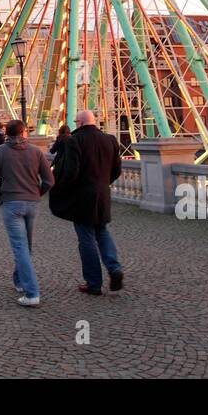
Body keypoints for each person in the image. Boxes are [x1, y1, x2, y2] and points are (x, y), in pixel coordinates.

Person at [49, 110, 126, 297]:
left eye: (76, 121)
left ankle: (93, 283)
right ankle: (114, 268)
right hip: (103, 193)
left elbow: (70, 172)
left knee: (86, 237)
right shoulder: (110, 140)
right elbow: (117, 170)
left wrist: (62, 188)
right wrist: (103, 183)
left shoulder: (74, 141)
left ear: (81, 123)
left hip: (82, 195)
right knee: (102, 231)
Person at [0, 119, 54, 307]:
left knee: (20, 248)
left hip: (11, 203)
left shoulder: (0, 152)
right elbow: (49, 181)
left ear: (7, 134)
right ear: (23, 133)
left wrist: (0, 199)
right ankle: (20, 281)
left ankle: (32, 293)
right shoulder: (36, 152)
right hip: (32, 203)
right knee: (26, 246)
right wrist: (37, 193)